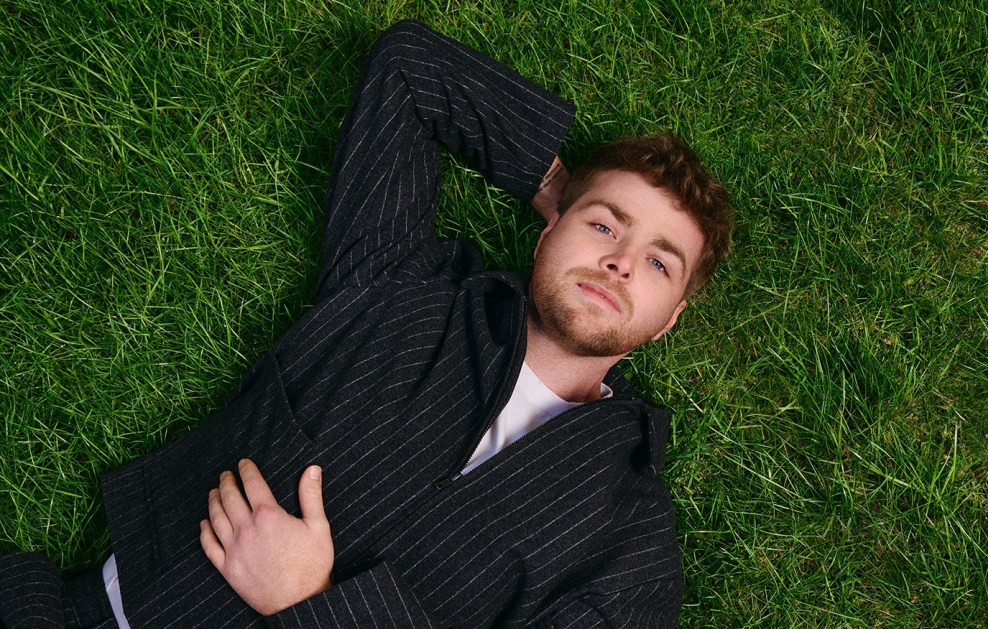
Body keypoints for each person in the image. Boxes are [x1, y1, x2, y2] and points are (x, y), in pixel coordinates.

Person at [0, 19, 732, 628]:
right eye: (605, 225)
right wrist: (551, 184)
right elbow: (411, 70)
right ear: (549, 233)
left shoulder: (630, 544)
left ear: (669, 322)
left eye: (661, 264)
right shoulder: (402, 281)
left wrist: (312, 603)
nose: (621, 263)